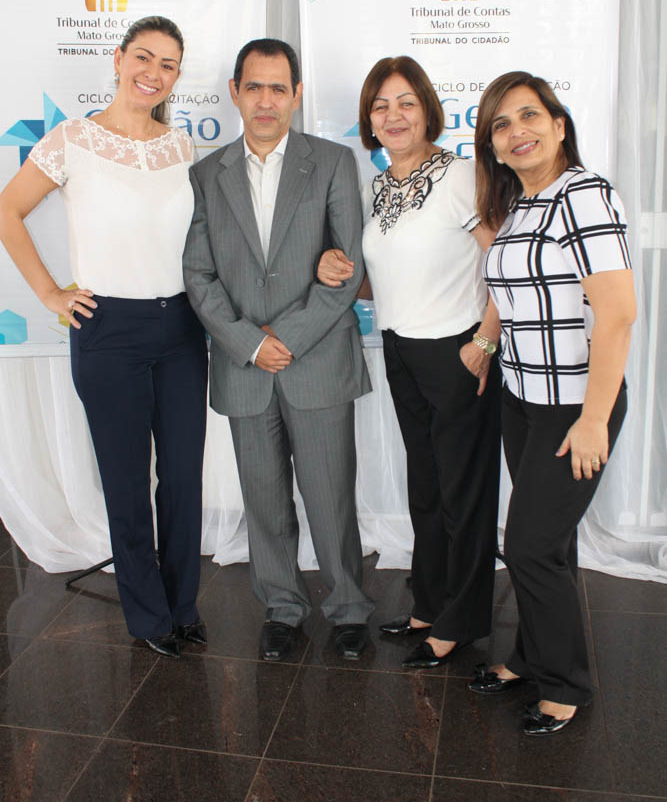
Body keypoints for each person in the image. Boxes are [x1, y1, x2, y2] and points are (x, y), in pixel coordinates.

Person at [0, 15, 208, 659]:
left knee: (183, 478)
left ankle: (183, 606)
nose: (153, 73)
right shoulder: (72, 139)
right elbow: (8, 209)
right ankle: (148, 617)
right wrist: (51, 294)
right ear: (118, 60)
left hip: (181, 327)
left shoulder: (182, 148)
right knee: (126, 482)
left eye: (168, 64)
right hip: (107, 328)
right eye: (143, 57)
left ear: (176, 77)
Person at [182, 38, 374, 661]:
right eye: (254, 87)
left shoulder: (333, 163)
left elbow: (347, 269)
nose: (266, 101)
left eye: (278, 88)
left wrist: (281, 339)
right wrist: (249, 343)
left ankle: (349, 609)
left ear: (296, 95)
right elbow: (199, 275)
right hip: (244, 367)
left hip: (315, 361)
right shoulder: (206, 174)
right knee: (263, 499)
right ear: (235, 93)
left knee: (330, 495)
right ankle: (283, 608)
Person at [317, 56, 502, 669]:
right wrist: (337, 270)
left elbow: (504, 262)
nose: (392, 116)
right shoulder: (379, 187)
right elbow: (385, 279)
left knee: (463, 493)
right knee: (426, 486)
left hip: (457, 351)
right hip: (401, 348)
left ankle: (461, 622)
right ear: (369, 120)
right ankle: (429, 604)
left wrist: (485, 341)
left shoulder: (461, 175)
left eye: (405, 103)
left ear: (427, 110)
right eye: (380, 106)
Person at [468, 71, 635, 734]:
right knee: (549, 546)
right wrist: (486, 345)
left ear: (559, 125)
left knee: (530, 548)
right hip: (523, 401)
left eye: (529, 116)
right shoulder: (521, 206)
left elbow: (617, 315)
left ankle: (565, 684)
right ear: (492, 145)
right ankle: (527, 657)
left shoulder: (583, 194)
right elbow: (514, 299)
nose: (517, 132)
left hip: (575, 407)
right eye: (501, 124)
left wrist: (593, 419)